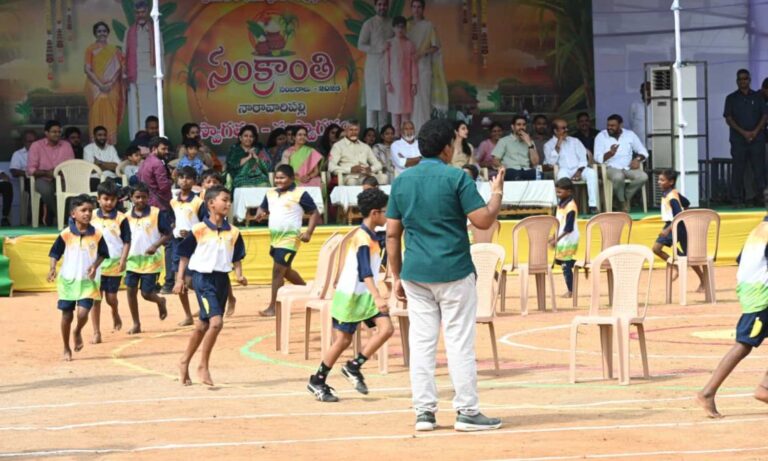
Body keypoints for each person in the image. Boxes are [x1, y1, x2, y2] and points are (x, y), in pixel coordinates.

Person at [386, 118, 504, 432]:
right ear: (446, 148)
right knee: (459, 343)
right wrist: (496, 195)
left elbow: (392, 236)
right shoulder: (455, 178)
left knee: (421, 343)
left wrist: (395, 275)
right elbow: (482, 222)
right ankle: (467, 410)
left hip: (415, 273)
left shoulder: (401, 181)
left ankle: (424, 412)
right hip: (454, 271)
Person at [308, 188, 394, 402]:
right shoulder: (363, 238)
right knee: (343, 340)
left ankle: (353, 367)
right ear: (375, 213)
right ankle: (317, 380)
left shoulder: (372, 236)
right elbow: (364, 271)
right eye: (385, 211)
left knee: (386, 329)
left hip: (364, 296)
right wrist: (378, 296)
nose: (388, 215)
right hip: (352, 297)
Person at [697, 187, 768, 418]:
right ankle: (708, 392)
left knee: (746, 343)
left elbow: (740, 257)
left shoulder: (760, 228)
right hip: (761, 295)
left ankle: (765, 389)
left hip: (754, 290)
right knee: (744, 344)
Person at [175, 185, 247, 386]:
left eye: (229, 200)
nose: (228, 203)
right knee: (216, 323)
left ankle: (184, 361)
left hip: (221, 280)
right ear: (211, 204)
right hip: (203, 279)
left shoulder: (233, 231)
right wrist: (180, 279)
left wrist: (239, 275)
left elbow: (237, 256)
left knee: (203, 325)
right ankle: (203, 366)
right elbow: (184, 255)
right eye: (224, 199)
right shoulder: (198, 229)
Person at [254, 164, 322, 317]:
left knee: (277, 272)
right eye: (277, 178)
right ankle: (311, 294)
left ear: (292, 179)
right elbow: (263, 207)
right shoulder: (270, 193)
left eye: (283, 178)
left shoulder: (300, 193)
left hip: (290, 239)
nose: (279, 181)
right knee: (286, 271)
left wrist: (309, 233)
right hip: (275, 239)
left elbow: (314, 213)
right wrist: (260, 213)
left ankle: (274, 307)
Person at [47, 194, 109, 361]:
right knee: (67, 316)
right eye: (83, 210)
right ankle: (66, 347)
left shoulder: (97, 234)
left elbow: (103, 254)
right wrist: (52, 268)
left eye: (90, 210)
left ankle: (78, 331)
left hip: (88, 282)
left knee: (82, 314)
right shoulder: (66, 234)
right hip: (68, 281)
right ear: (73, 214)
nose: (87, 213)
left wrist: (95, 266)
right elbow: (55, 252)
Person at [124, 182, 170, 334]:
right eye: (137, 197)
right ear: (131, 198)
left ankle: (160, 301)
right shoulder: (125, 217)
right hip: (132, 260)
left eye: (144, 197)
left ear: (148, 197)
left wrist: (156, 246)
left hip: (151, 261)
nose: (140, 200)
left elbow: (167, 233)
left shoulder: (156, 213)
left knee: (146, 293)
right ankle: (136, 323)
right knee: (130, 291)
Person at [89, 180, 130, 344]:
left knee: (111, 298)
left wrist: (123, 259)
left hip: (114, 264)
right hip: (95, 265)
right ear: (98, 199)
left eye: (112, 199)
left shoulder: (121, 218)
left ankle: (114, 310)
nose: (108, 203)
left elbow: (127, 240)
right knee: (95, 299)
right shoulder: (90, 216)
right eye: (105, 199)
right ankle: (96, 332)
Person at [651, 169, 705, 290]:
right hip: (676, 225)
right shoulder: (673, 193)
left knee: (657, 248)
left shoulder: (672, 197)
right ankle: (678, 265)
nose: (659, 182)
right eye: (659, 180)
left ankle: (678, 266)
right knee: (687, 256)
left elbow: (679, 214)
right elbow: (687, 203)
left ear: (670, 182)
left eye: (662, 180)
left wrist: (668, 229)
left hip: (676, 226)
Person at [724, 69, 768, 207]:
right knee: (738, 170)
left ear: (749, 80)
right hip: (739, 140)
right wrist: (743, 132)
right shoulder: (731, 98)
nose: (743, 81)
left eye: (745, 79)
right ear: (737, 81)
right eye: (740, 79)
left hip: (757, 139)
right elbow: (728, 118)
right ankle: (736, 199)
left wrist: (755, 132)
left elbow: (765, 115)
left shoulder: (758, 97)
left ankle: (762, 198)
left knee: (759, 169)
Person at [171, 166, 205, 327]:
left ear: (194, 181)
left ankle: (204, 306)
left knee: (192, 282)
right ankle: (187, 315)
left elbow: (205, 223)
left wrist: (192, 232)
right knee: (181, 281)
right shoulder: (173, 201)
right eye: (182, 177)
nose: (184, 180)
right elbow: (171, 221)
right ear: (177, 180)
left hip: (195, 245)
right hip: (178, 243)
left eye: (188, 178)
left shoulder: (198, 202)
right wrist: (176, 230)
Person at [594, 114, 649, 212]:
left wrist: (638, 159)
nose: (609, 128)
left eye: (613, 125)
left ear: (621, 125)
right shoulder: (601, 136)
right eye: (608, 125)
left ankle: (623, 197)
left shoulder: (630, 135)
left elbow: (643, 151)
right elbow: (597, 158)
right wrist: (610, 153)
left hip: (628, 167)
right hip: (611, 167)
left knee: (643, 177)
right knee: (618, 177)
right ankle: (622, 202)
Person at [408, 0, 448, 132]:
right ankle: (410, 131)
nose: (416, 9)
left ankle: (423, 132)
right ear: (411, 8)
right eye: (414, 6)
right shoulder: (406, 26)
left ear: (423, 9)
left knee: (423, 99)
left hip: (424, 67)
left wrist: (422, 53)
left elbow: (435, 46)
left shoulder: (429, 26)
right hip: (407, 68)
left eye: (419, 7)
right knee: (410, 101)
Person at [544, 118, 599, 214]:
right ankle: (563, 206)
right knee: (562, 177)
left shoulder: (575, 141)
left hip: (579, 169)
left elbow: (583, 159)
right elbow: (551, 163)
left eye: (567, 128)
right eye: (563, 128)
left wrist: (579, 171)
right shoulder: (548, 145)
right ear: (555, 131)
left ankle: (593, 206)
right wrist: (558, 145)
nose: (566, 130)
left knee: (591, 173)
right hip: (563, 169)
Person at [27, 120, 75, 226]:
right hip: (42, 178)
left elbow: (71, 165)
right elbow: (31, 169)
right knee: (47, 190)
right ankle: (62, 217)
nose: (57, 134)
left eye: (59, 132)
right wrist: (46, 173)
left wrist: (60, 173)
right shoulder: (36, 146)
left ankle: (64, 218)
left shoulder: (66, 145)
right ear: (46, 133)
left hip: (62, 177)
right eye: (54, 132)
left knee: (71, 188)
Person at [84, 21, 124, 146]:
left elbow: (119, 69)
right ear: (95, 34)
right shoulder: (90, 49)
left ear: (108, 33)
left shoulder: (114, 50)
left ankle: (111, 146)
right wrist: (100, 85)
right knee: (96, 115)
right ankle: (95, 147)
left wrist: (110, 83)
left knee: (111, 116)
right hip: (95, 88)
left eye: (104, 31)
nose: (102, 33)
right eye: (99, 31)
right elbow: (87, 69)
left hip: (112, 88)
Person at [358, 0, 393, 130]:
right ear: (375, 6)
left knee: (384, 105)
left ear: (387, 6)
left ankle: (384, 141)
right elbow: (361, 44)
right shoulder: (369, 24)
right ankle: (370, 139)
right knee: (372, 106)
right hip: (373, 68)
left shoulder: (391, 23)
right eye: (379, 4)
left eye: (384, 4)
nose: (382, 7)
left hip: (388, 68)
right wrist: (377, 48)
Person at [125, 1, 159, 137]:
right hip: (135, 75)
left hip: (151, 74)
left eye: (143, 12)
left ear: (148, 12)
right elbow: (124, 53)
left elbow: (160, 53)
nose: (141, 15)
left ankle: (154, 136)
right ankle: (136, 137)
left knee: (152, 105)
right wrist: (125, 73)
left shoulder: (155, 30)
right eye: (138, 13)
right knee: (135, 109)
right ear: (135, 14)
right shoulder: (130, 31)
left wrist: (160, 77)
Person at [385, 15, 418, 133]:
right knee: (394, 114)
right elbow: (386, 64)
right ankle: (395, 140)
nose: (400, 30)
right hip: (393, 83)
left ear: (405, 28)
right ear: (393, 28)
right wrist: (387, 81)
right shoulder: (389, 44)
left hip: (406, 84)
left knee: (405, 114)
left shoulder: (410, 44)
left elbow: (413, 65)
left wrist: (414, 83)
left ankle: (406, 138)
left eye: (402, 27)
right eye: (397, 27)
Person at [329, 121, 388, 185]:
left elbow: (378, 165)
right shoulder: (338, 146)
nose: (353, 132)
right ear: (346, 131)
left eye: (356, 130)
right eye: (351, 130)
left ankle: (378, 195)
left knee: (384, 178)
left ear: (359, 131)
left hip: (367, 176)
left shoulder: (365, 146)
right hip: (350, 176)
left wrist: (370, 169)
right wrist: (350, 169)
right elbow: (331, 167)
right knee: (352, 181)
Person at [549, 178, 579, 298]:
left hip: (568, 238)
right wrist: (554, 235)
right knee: (559, 261)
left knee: (565, 265)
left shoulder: (570, 207)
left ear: (569, 192)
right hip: (562, 236)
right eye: (557, 192)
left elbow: (569, 228)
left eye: (560, 192)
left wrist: (557, 239)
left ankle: (571, 291)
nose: (558, 194)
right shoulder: (561, 204)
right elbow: (560, 223)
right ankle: (578, 264)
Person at [492, 115, 538, 181]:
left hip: (527, 170)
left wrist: (529, 143)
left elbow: (535, 162)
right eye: (518, 125)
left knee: (539, 175)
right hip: (511, 171)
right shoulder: (504, 141)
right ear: (513, 127)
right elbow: (495, 160)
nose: (521, 127)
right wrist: (502, 167)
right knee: (514, 174)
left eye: (524, 125)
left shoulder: (530, 142)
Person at [226, 125, 270, 189]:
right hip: (241, 178)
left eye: (251, 136)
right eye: (245, 136)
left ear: (254, 138)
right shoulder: (235, 149)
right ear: (240, 138)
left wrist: (256, 158)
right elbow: (232, 166)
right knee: (245, 188)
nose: (248, 138)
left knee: (265, 185)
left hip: (258, 177)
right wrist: (248, 157)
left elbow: (267, 167)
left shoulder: (259, 149)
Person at [84, 126, 121, 190]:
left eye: (104, 135)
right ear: (94, 136)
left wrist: (100, 163)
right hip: (95, 178)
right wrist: (110, 165)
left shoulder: (111, 148)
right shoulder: (88, 149)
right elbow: (91, 169)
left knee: (120, 184)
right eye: (99, 135)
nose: (103, 137)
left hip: (112, 177)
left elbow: (117, 166)